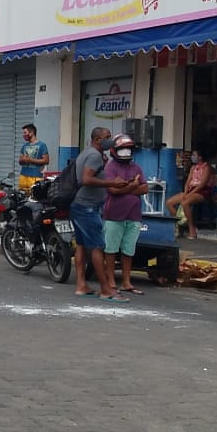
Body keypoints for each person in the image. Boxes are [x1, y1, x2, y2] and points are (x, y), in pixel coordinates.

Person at [72, 127, 129, 302]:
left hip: (79, 205)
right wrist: (112, 182)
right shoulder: (95, 155)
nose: (109, 140)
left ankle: (81, 284)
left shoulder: (86, 153)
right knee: (97, 247)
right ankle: (106, 289)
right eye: (107, 137)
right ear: (97, 139)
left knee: (81, 245)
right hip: (87, 207)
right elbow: (86, 179)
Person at [103, 134, 149, 296]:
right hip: (113, 215)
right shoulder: (110, 167)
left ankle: (126, 281)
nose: (126, 152)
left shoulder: (136, 167)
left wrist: (128, 187)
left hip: (134, 215)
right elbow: (113, 190)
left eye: (128, 149)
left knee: (129, 250)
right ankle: (110, 280)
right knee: (111, 249)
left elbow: (145, 188)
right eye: (123, 149)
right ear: (115, 151)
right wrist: (133, 185)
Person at [166, 148, 216, 239]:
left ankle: (192, 229)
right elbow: (188, 182)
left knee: (185, 203)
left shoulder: (207, 168)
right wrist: (185, 193)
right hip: (190, 190)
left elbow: (202, 184)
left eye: (194, 155)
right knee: (169, 202)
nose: (193, 157)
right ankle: (179, 225)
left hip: (202, 191)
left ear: (200, 157)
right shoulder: (193, 167)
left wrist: (190, 194)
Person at [18, 123, 49, 191]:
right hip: (23, 176)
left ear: (31, 132)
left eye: (25, 132)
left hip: (36, 177)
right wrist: (22, 160)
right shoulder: (24, 146)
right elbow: (20, 161)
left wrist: (31, 160)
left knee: (34, 198)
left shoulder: (42, 145)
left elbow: (46, 160)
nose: (24, 135)